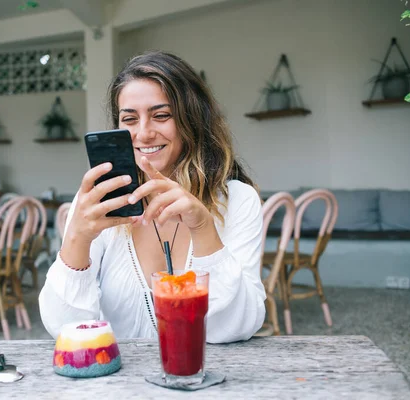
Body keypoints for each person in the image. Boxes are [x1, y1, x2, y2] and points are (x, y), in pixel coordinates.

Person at [39, 51, 266, 344]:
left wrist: (202, 227)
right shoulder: (99, 203)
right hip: (120, 386)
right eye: (129, 119)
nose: (143, 133)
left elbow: (236, 327)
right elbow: (64, 329)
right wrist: (77, 240)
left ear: (192, 121)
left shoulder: (237, 200)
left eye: (161, 116)